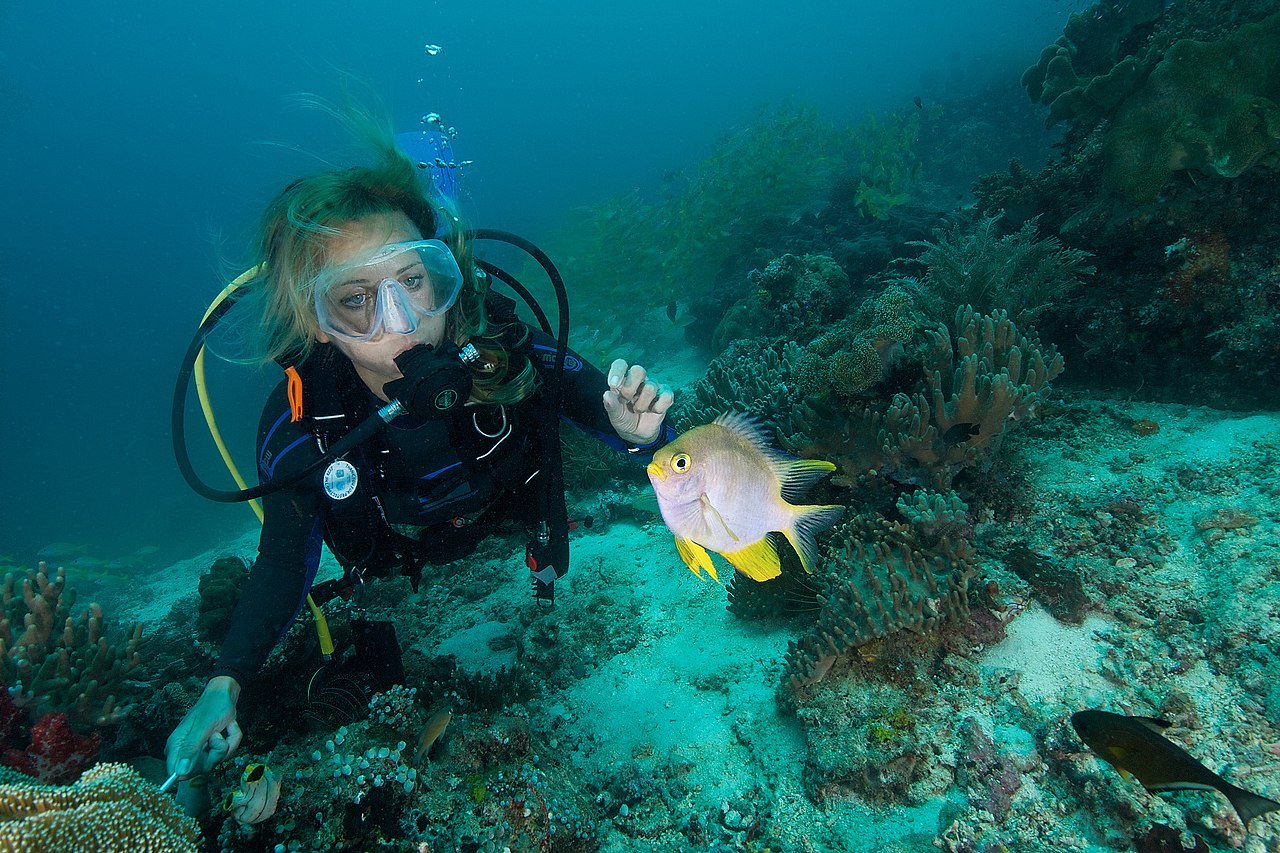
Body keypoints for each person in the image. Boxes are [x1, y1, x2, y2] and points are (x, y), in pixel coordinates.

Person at [165, 121, 674, 782]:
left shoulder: (502, 346)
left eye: (415, 280)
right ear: (319, 323)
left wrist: (643, 436)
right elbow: (285, 558)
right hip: (391, 554)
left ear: (445, 278)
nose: (401, 324)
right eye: (356, 301)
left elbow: (622, 418)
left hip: (507, 509)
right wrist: (225, 681)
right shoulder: (302, 429)